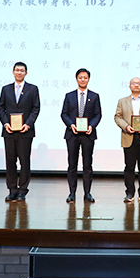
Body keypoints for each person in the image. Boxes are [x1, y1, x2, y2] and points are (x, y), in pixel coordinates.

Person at [0, 62, 41, 202]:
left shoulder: (32, 89)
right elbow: (1, 108)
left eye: (22, 70)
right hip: (9, 131)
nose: (19, 72)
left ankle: (22, 190)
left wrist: (28, 124)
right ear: (13, 72)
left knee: (24, 161)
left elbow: (36, 108)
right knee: (10, 161)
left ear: (26, 73)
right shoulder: (6, 89)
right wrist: (5, 124)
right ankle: (12, 189)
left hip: (25, 132)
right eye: (17, 70)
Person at [61, 68, 102, 203]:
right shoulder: (69, 96)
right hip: (72, 134)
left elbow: (98, 114)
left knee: (87, 165)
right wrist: (71, 125)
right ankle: (72, 193)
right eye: (80, 77)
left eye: (85, 77)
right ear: (76, 79)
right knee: (72, 164)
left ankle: (87, 193)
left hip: (88, 135)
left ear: (88, 79)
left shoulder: (94, 96)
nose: (83, 80)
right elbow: (64, 114)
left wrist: (92, 126)